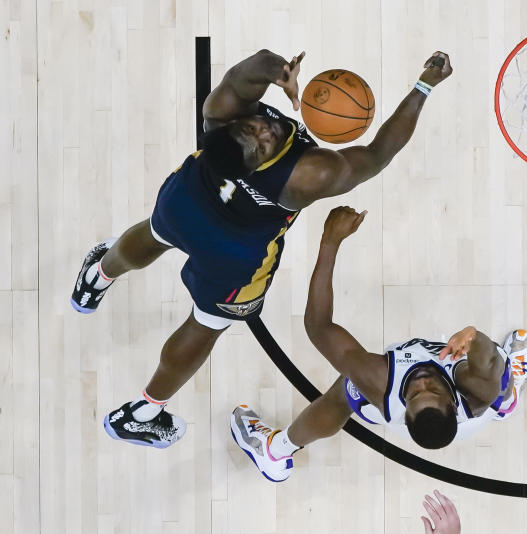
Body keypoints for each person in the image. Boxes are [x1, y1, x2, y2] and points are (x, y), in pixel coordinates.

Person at [72, 48, 453, 449]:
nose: (264, 133)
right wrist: (424, 85)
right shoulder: (309, 174)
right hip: (234, 253)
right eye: (260, 145)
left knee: (154, 233)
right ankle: (143, 414)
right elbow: (377, 156)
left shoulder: (220, 114)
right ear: (255, 166)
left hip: (186, 200)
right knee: (205, 324)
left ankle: (96, 278)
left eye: (254, 129)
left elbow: (244, 72)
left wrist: (280, 72)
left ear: (227, 126)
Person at [229, 207, 527, 481]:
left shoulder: (382, 381)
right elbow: (486, 362)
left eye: (416, 393)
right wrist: (472, 335)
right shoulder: (472, 394)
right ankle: (505, 403)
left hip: (404, 410)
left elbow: (319, 328)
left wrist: (329, 242)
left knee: (345, 391)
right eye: (432, 390)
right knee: (495, 368)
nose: (423, 383)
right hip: (475, 408)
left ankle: (275, 451)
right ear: (452, 400)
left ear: (406, 410)